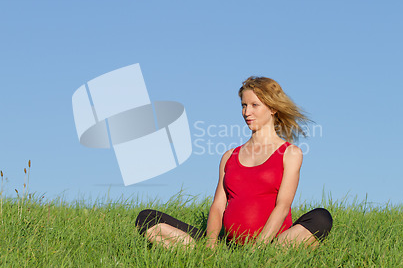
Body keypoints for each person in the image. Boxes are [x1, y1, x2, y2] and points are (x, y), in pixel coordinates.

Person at [135, 76, 333, 249]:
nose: (247, 112)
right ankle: (205, 256)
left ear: (272, 108)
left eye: (255, 105)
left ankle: (271, 256)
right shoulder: (230, 156)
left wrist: (259, 248)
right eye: (244, 105)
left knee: (321, 218)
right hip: (228, 245)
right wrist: (211, 246)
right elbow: (218, 205)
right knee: (146, 218)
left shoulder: (290, 153)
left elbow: (282, 206)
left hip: (271, 243)